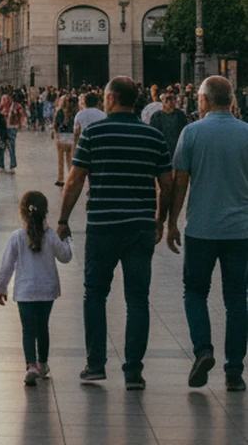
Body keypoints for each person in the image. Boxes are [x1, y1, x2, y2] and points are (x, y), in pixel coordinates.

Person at [57, 76, 173, 390]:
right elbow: (167, 183)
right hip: (139, 227)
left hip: (103, 226)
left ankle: (95, 365)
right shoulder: (153, 136)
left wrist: (63, 219)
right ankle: (133, 371)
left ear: (110, 99)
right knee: (137, 299)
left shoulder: (94, 133)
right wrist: (161, 219)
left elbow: (75, 181)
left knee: (94, 294)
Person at [165, 75, 248, 392]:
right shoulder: (246, 134)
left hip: (201, 228)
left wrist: (172, 222)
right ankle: (235, 372)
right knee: (237, 300)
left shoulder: (192, 133)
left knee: (195, 292)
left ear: (205, 100)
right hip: (240, 231)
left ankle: (203, 351)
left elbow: (179, 181)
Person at [0, 190, 73, 386]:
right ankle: (43, 363)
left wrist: (1, 287)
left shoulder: (17, 236)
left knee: (28, 330)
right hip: (47, 290)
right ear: (45, 212)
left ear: (22, 212)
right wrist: (67, 239)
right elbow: (65, 257)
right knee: (42, 328)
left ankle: (30, 365)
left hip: (25, 291)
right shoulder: (52, 236)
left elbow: (7, 264)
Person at [149, 89, 190, 159]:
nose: (171, 102)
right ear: (162, 101)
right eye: (168, 99)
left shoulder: (180, 115)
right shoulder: (156, 117)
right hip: (162, 152)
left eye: (174, 99)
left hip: (178, 152)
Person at [52, 95, 75, 188]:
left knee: (60, 159)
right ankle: (70, 177)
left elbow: (56, 124)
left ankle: (61, 178)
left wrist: (55, 134)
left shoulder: (60, 111)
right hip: (71, 137)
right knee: (70, 159)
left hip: (62, 136)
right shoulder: (73, 112)